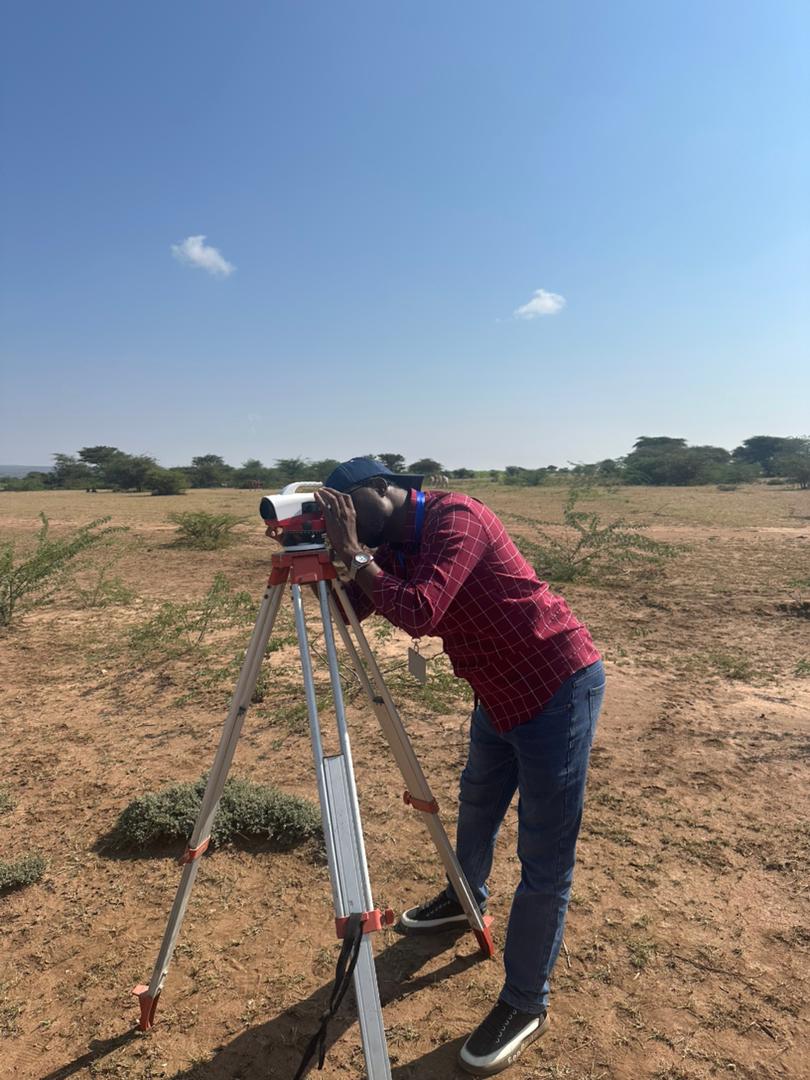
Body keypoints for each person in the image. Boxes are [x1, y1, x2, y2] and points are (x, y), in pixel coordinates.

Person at [313, 457, 605, 1077]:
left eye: (346, 505)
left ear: (384, 489)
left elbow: (419, 611)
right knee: (476, 801)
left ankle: (526, 1002)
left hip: (555, 685)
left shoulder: (457, 518)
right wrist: (329, 560)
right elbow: (347, 615)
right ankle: (463, 895)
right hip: (497, 692)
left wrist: (357, 557)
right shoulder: (389, 542)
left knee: (544, 858)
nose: (345, 518)